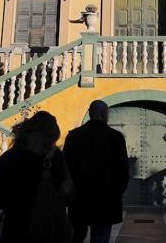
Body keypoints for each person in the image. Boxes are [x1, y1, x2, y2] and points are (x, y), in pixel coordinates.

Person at [0, 111, 72, 243]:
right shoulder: (55, 159)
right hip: (49, 232)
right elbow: (67, 193)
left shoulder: (9, 158)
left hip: (15, 231)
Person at [63, 100, 130, 243]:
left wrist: (69, 194)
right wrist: (118, 191)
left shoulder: (73, 136)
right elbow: (123, 169)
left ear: (89, 113)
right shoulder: (115, 137)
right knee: (101, 237)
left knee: (76, 236)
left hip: (79, 197)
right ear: (105, 114)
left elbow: (65, 167)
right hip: (106, 198)